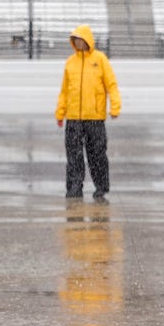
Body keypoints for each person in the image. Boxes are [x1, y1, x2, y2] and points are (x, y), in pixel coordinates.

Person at [55, 25, 121, 201]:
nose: (78, 42)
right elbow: (65, 90)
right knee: (74, 156)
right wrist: (60, 113)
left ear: (88, 40)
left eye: (81, 39)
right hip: (74, 119)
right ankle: (74, 187)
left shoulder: (100, 59)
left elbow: (111, 85)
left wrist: (115, 107)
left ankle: (101, 187)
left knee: (97, 155)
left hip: (94, 119)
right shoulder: (70, 62)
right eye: (75, 39)